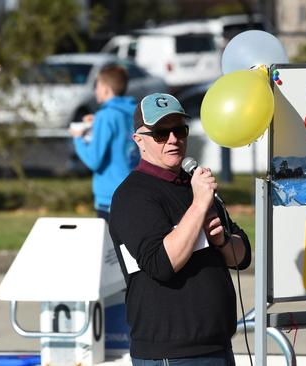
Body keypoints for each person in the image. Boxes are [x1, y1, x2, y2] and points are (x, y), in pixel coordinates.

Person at [108, 93, 251, 365]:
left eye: (180, 130)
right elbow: (161, 263)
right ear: (139, 139)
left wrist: (221, 242)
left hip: (217, 345)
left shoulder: (195, 183)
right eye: (161, 133)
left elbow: (242, 256)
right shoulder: (132, 196)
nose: (173, 139)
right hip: (171, 353)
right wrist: (198, 206)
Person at [70, 64, 138, 221]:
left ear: (105, 88)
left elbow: (94, 160)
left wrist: (78, 138)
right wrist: (97, 123)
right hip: (136, 188)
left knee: (109, 245)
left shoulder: (105, 116)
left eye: (97, 86)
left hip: (110, 196)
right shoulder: (136, 112)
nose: (95, 91)